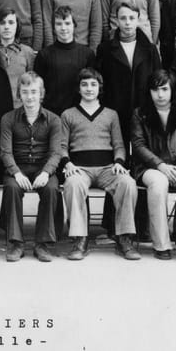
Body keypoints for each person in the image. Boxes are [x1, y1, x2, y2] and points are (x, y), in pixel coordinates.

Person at [96, 1, 162, 240]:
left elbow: (158, 80)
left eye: (131, 18)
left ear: (138, 20)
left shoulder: (149, 49)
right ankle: (113, 225)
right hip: (116, 113)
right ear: (116, 20)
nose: (127, 23)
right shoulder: (106, 49)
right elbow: (100, 83)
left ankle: (142, 225)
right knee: (117, 164)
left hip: (143, 114)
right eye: (122, 18)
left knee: (143, 164)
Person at [60, 68, 140, 261]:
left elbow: (119, 145)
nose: (89, 88)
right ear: (78, 88)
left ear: (100, 88)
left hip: (107, 169)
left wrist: (119, 162)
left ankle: (124, 237)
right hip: (80, 169)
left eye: (93, 84)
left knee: (128, 183)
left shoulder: (111, 115)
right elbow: (61, 146)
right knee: (73, 184)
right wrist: (67, 163)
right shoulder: (68, 114)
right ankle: (80, 239)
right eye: (84, 84)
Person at [131, 70, 176, 263]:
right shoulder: (140, 114)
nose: (160, 95)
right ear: (149, 91)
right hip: (148, 167)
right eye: (155, 90)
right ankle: (161, 244)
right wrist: (160, 165)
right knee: (158, 182)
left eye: (164, 89)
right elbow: (138, 145)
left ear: (172, 90)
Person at [0, 8, 35, 240]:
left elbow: (33, 84)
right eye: (2, 23)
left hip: (19, 118)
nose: (7, 27)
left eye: (11, 23)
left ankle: (10, 224)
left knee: (14, 171)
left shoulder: (27, 53)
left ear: (17, 26)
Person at [0, 72, 62, 262]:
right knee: (11, 188)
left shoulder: (53, 120)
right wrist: (16, 173)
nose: (29, 97)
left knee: (51, 188)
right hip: (17, 167)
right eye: (25, 92)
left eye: (34, 92)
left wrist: (46, 173)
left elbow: (56, 153)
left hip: (43, 167)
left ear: (41, 93)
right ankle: (16, 243)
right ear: (19, 94)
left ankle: (42, 244)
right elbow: (5, 152)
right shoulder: (8, 118)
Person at [34, 5, 96, 116]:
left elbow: (92, 88)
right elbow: (38, 89)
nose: (63, 28)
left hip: (81, 114)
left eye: (67, 23)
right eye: (59, 24)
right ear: (53, 27)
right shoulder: (43, 55)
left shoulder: (88, 54)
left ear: (74, 25)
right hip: (52, 114)